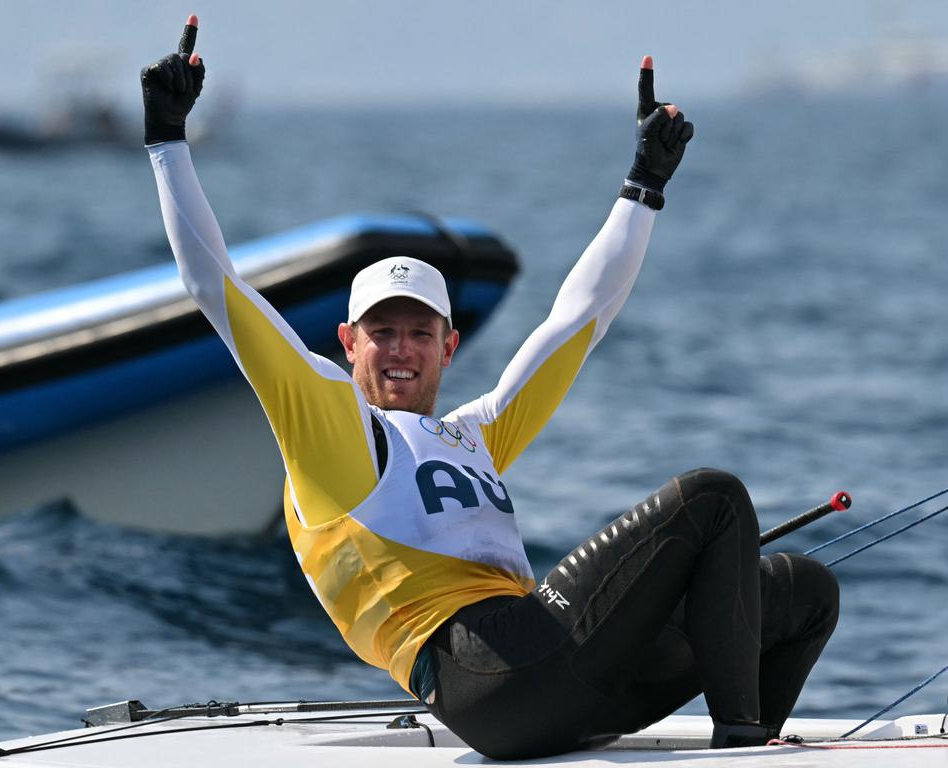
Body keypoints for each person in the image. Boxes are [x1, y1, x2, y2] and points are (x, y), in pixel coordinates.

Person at [141, 16, 839, 759]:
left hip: (580, 688)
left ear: (450, 346)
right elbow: (215, 288)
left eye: (419, 333)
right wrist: (167, 141)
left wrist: (644, 188)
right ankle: (739, 745)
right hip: (489, 682)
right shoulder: (331, 427)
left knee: (802, 593)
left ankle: (752, 735)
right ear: (348, 345)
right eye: (381, 333)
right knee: (709, 498)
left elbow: (582, 316)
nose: (400, 351)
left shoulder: (477, 433)